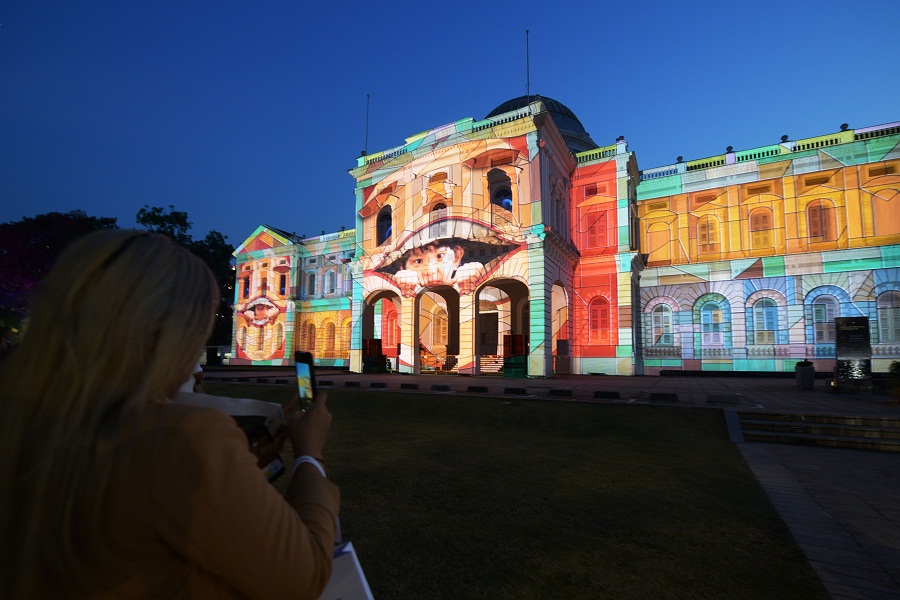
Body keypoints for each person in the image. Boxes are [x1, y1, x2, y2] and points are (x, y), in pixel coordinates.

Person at [0, 230, 339, 599]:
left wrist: (231, 469)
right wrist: (309, 455)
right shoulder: (181, 439)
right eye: (197, 333)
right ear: (162, 336)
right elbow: (303, 578)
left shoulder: (23, 420)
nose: (196, 364)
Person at [393, 240, 485, 296]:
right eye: (418, 261)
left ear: (456, 257)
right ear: (403, 267)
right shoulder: (401, 289)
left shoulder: (468, 278)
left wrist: (482, 276)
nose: (430, 270)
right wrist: (396, 285)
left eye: (440, 256)